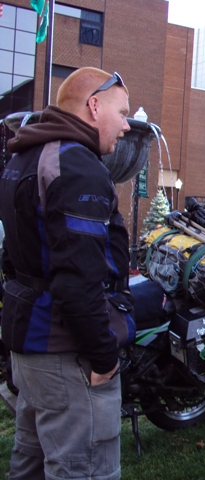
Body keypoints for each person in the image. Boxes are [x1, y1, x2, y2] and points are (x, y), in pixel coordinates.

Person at [0, 67, 133, 480]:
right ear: (94, 106)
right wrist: (104, 356)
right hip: (66, 352)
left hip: (32, 347)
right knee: (83, 470)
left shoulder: (25, 155)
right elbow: (78, 280)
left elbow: (12, 258)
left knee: (31, 463)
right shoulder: (76, 165)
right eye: (122, 112)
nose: (127, 126)